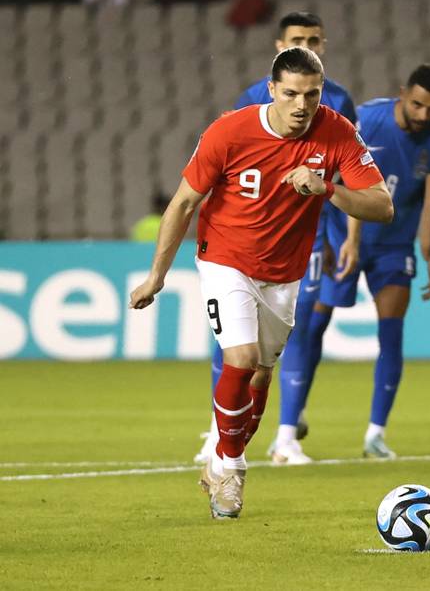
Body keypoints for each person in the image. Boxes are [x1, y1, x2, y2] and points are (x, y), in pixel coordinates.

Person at [129, 47, 393, 520]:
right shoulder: (228, 131)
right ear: (271, 89)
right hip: (225, 258)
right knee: (242, 358)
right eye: (291, 93)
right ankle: (232, 467)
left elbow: (382, 206)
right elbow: (185, 202)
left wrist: (326, 187)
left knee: (260, 376)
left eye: (311, 94)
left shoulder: (336, 131)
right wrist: (157, 276)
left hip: (284, 272)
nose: (301, 105)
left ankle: (221, 456)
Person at [194, 11, 359, 467]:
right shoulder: (250, 101)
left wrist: (351, 236)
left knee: (292, 339)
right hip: (245, 243)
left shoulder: (340, 102)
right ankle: (219, 435)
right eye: (297, 39)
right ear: (277, 48)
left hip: (313, 237)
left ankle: (287, 432)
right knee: (236, 344)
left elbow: (354, 175)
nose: (308, 44)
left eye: (314, 39)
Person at [286, 64, 430, 460]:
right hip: (345, 237)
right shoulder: (367, 120)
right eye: (417, 105)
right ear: (402, 94)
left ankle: (376, 434)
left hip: (394, 245)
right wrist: (344, 240)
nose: (423, 116)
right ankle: (295, 414)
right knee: (314, 323)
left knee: (392, 333)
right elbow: (342, 178)